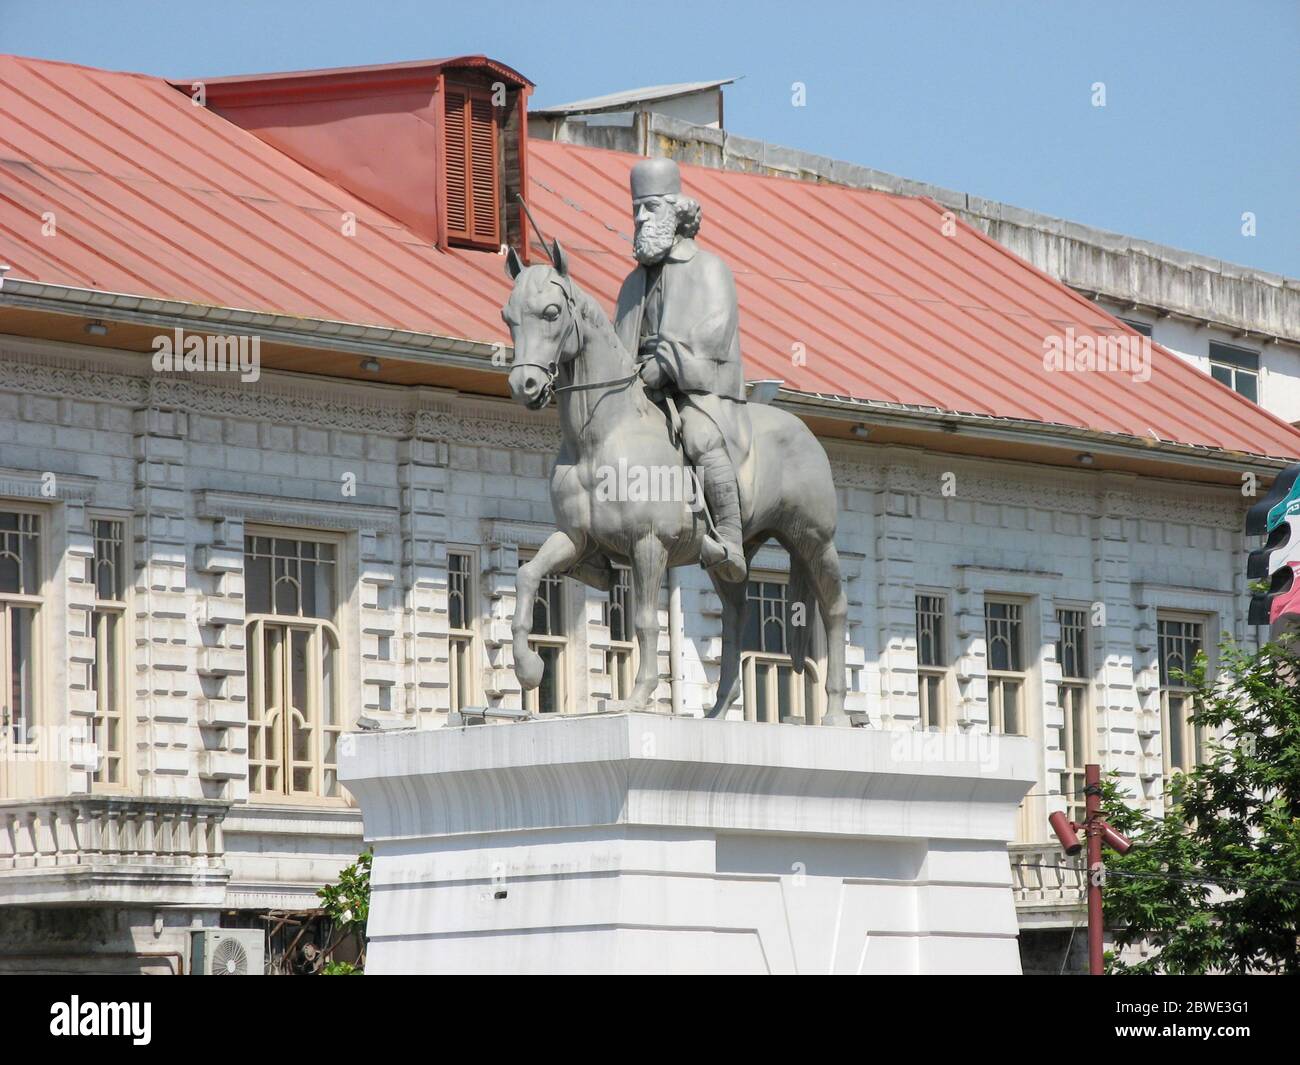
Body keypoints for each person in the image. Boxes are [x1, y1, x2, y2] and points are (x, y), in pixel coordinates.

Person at [614, 158, 750, 582]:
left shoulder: (709, 269)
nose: (639, 217)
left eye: (650, 207)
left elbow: (714, 333)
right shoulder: (632, 284)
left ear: (677, 210)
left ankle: (729, 536)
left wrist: (666, 365)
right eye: (636, 208)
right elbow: (619, 343)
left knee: (699, 436)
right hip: (644, 390)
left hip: (698, 390)